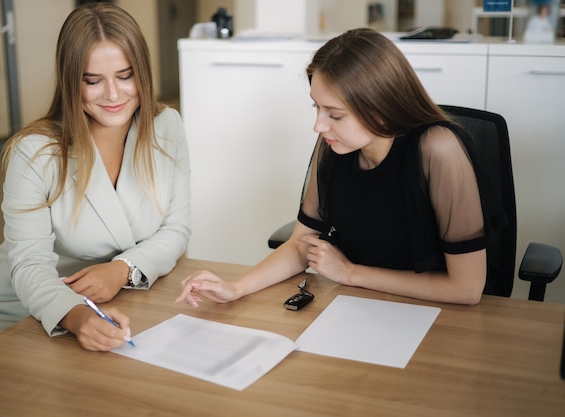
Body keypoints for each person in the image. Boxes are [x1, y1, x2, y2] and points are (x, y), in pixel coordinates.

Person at [177, 28, 500, 309]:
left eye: (335, 114)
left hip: (439, 318)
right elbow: (303, 244)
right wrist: (236, 288)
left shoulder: (437, 149)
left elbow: (468, 289)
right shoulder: (333, 145)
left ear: (381, 108)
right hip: (357, 306)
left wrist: (350, 273)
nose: (318, 125)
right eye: (316, 107)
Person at [0, 3, 191, 363]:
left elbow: (177, 228)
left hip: (113, 302)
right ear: (71, 79)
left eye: (126, 75)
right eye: (93, 81)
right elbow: (29, 264)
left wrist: (122, 269)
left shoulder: (167, 126)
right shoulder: (34, 152)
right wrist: (76, 316)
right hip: (11, 312)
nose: (113, 94)